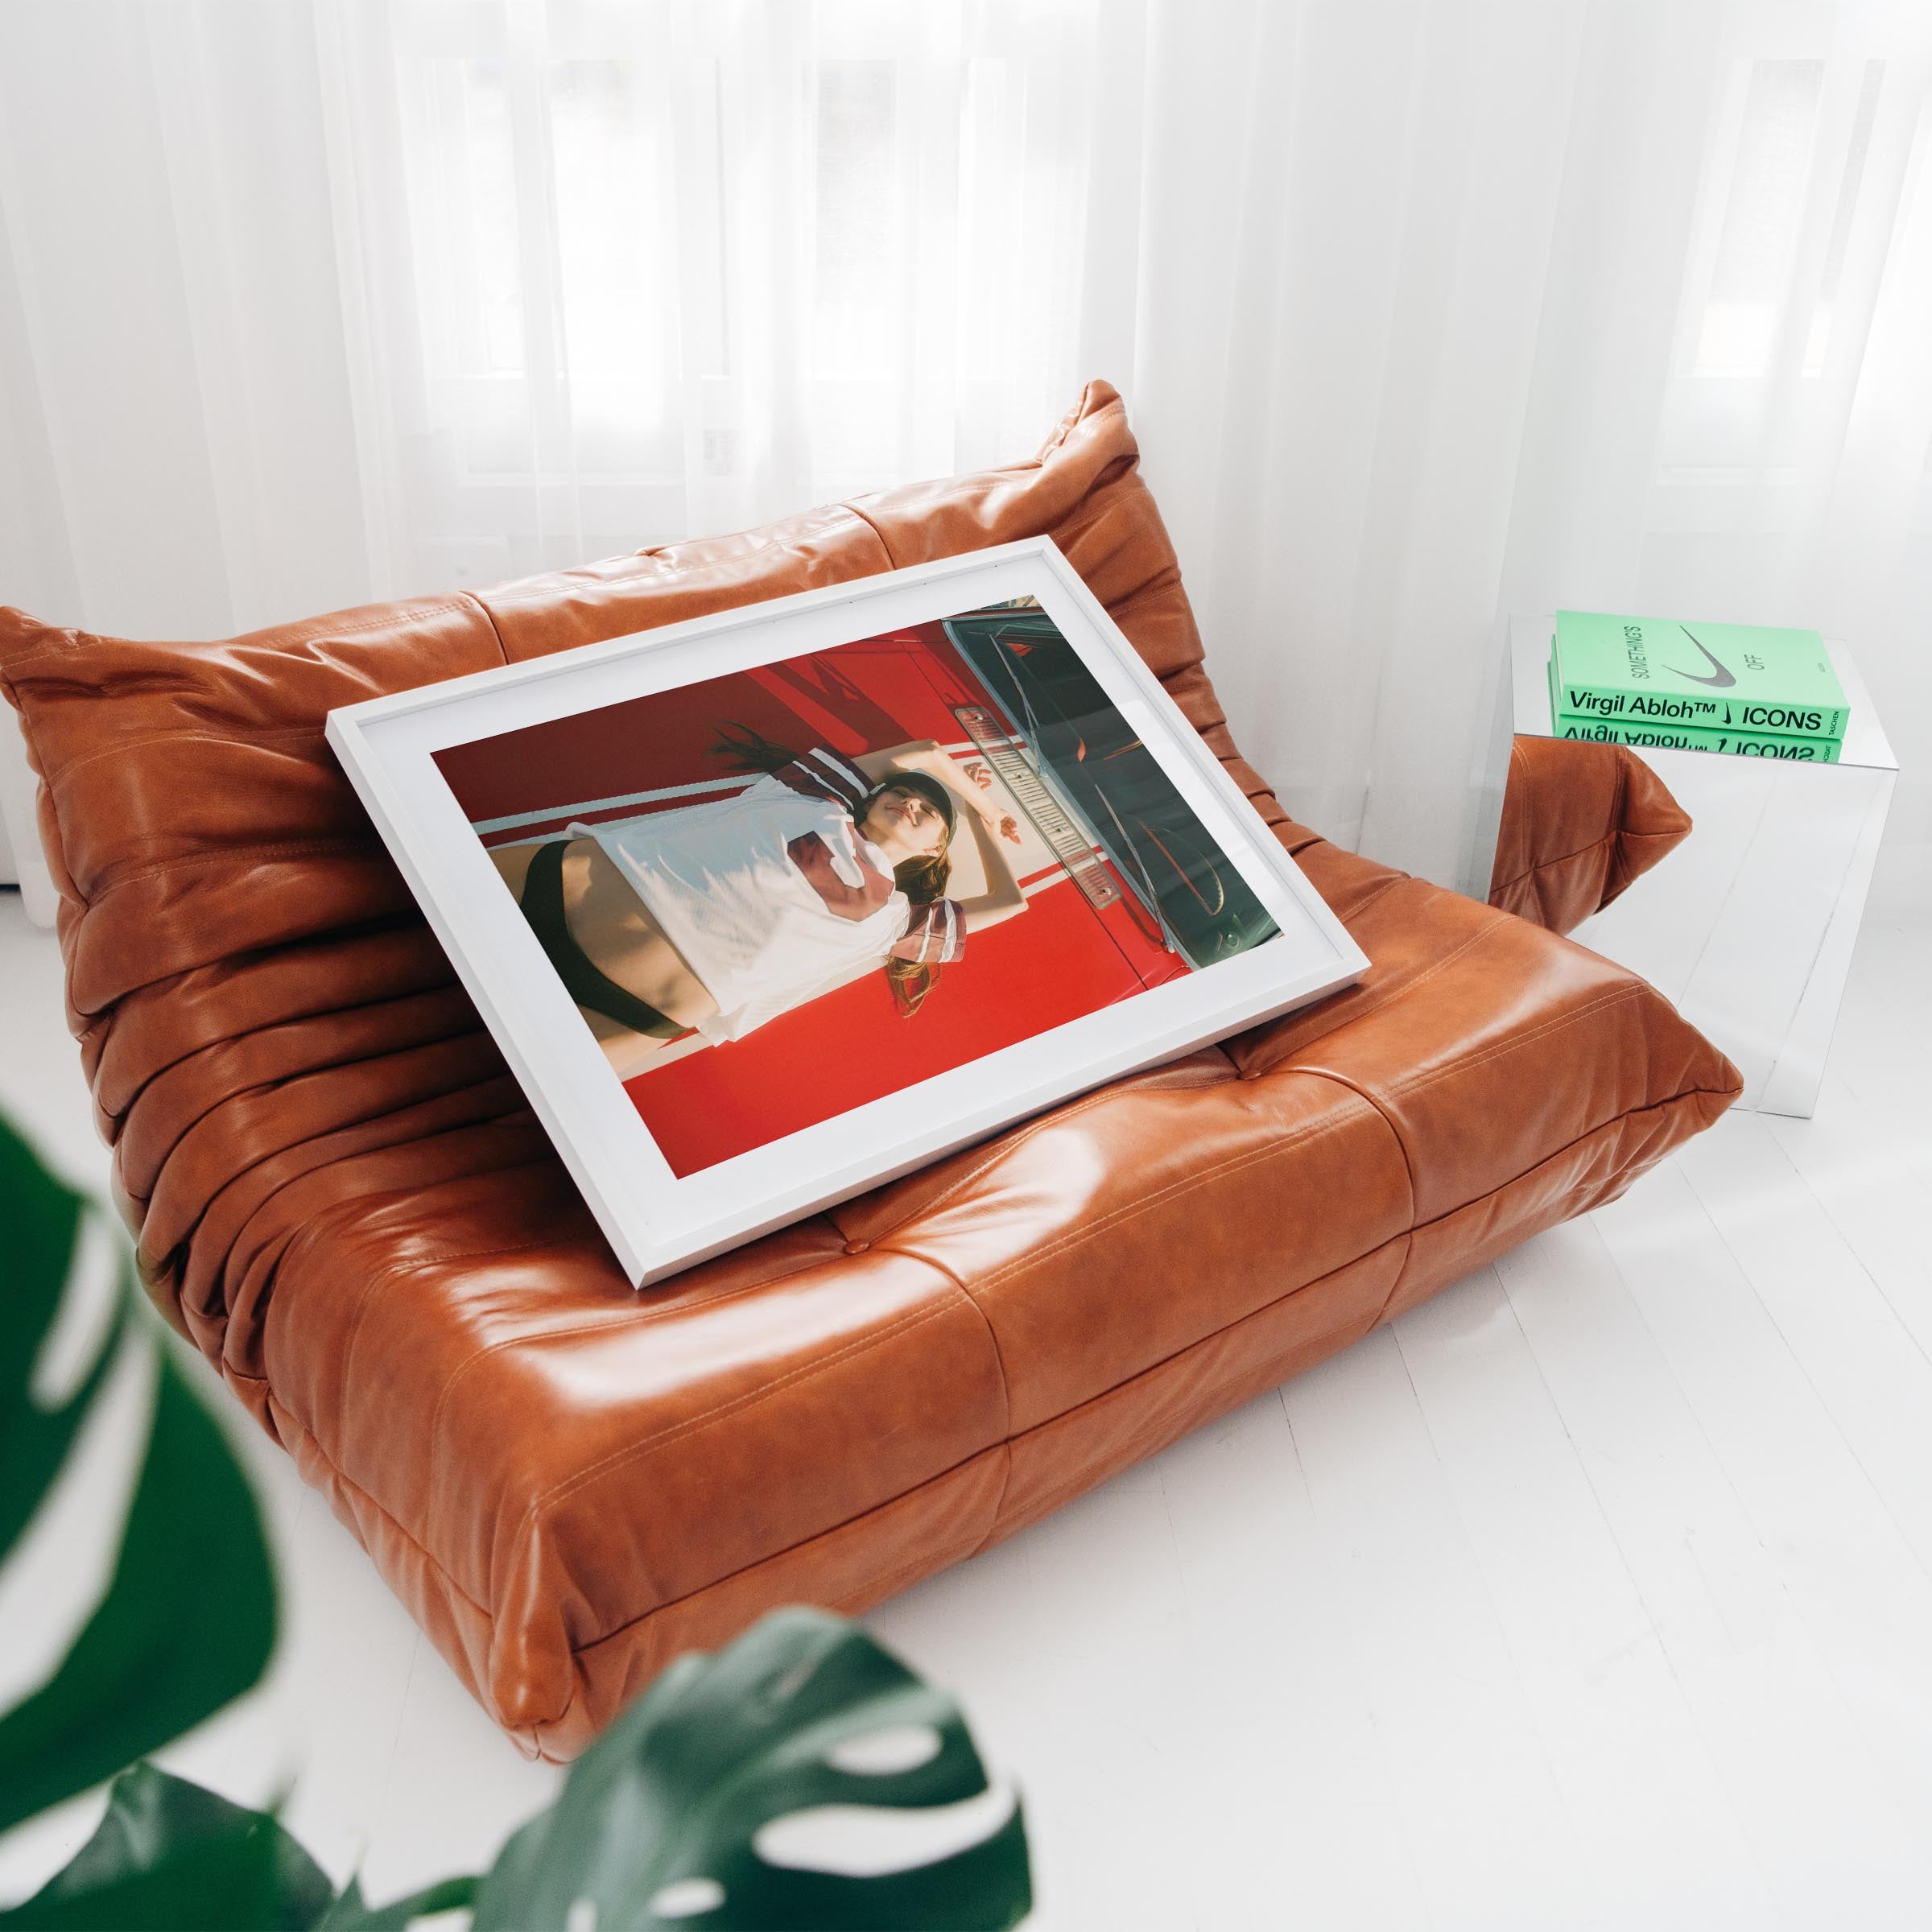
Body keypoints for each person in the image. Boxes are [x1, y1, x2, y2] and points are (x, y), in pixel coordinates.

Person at [488, 730, 1026, 1077]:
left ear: (934, 848)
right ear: (867, 796)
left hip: (629, 1009)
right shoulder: (812, 801)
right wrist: (981, 799)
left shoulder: (895, 921)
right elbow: (925, 753)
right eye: (903, 793)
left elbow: (1010, 902)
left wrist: (987, 827)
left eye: (930, 811)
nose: (912, 801)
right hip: (559, 888)